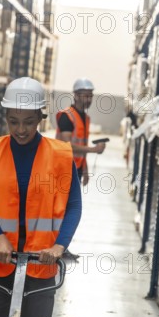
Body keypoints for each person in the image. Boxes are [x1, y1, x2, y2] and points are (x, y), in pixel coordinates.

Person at [0, 77, 82, 317]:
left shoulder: (60, 156)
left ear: (41, 118)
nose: (21, 129)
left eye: (29, 121)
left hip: (41, 263)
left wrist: (59, 246)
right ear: (6, 117)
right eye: (13, 121)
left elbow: (74, 206)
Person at [56, 78, 106, 260]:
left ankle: (62, 246)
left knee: (70, 209)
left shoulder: (85, 118)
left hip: (75, 168)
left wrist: (84, 168)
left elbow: (80, 144)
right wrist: (93, 150)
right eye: (85, 95)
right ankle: (56, 246)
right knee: (61, 209)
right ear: (75, 95)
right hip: (62, 169)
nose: (89, 99)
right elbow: (67, 144)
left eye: (91, 95)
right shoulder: (66, 116)